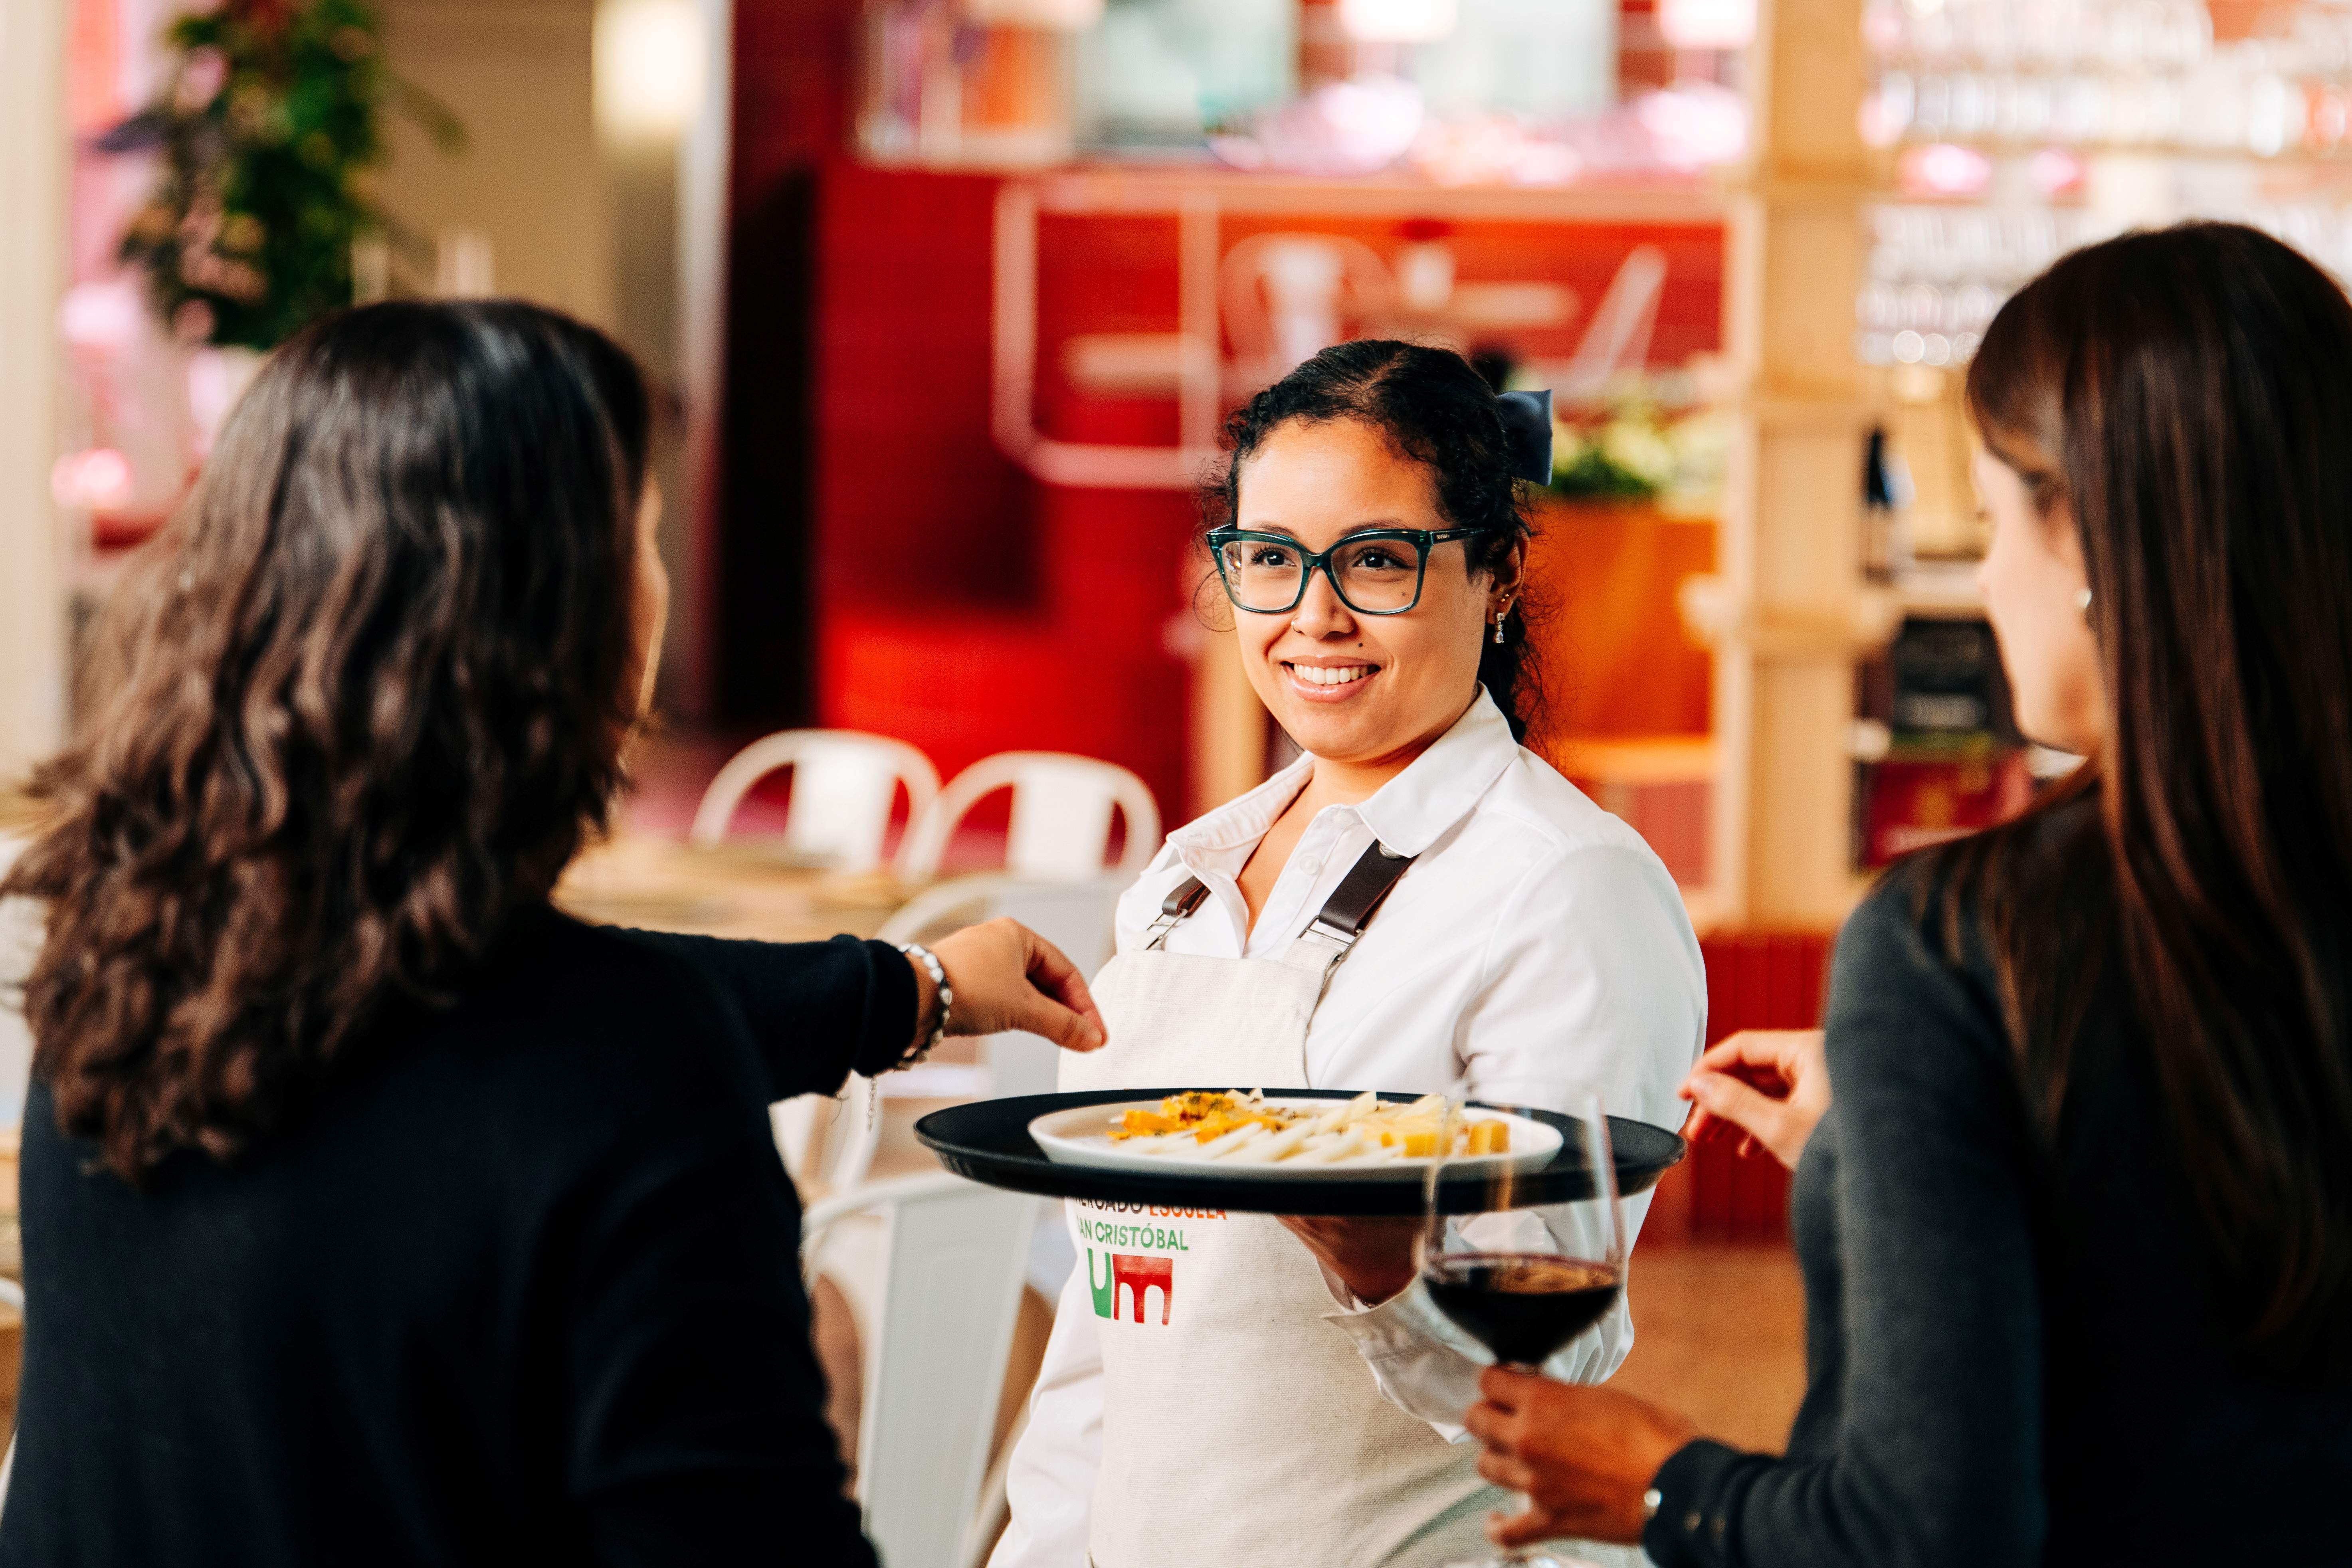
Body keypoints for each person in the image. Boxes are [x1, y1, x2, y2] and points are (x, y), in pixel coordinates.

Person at [0, 300, 1107, 1568]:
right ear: (566, 613)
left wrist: (907, 989)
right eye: (640, 533)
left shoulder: (125, 957)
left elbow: (497, 1035)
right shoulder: (617, 1067)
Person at [1456, 222, 2352, 1565]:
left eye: (1993, 519)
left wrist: (1663, 1486)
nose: (1984, 575)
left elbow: (1924, 1534)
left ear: (2100, 545)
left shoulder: (1966, 942)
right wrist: (1897, 1160)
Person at [990, 341, 1707, 1568]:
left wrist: (1392, 1274)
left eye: (1375, 560)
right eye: (1269, 560)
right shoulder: (1182, 881)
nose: (1312, 616)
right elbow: (1116, 1326)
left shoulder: (1563, 885)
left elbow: (1562, 1353)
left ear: (1493, 579)